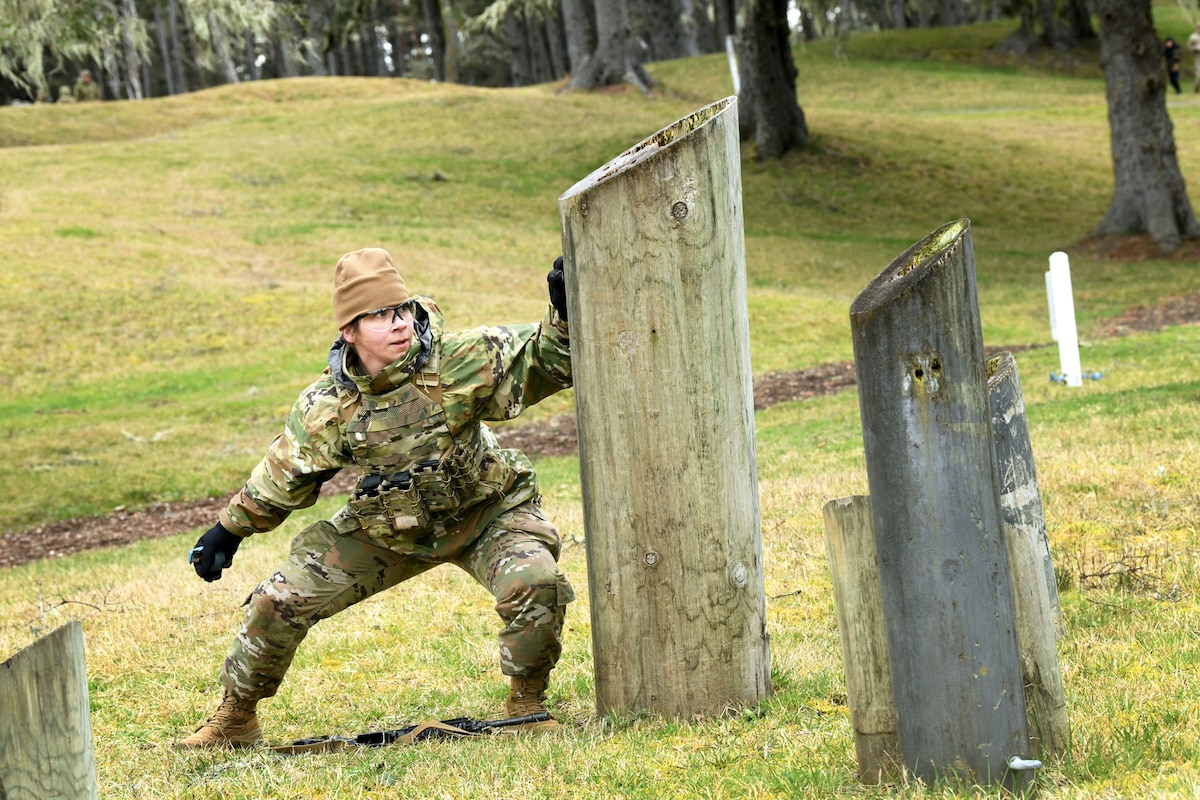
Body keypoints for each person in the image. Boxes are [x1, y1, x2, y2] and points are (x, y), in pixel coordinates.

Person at [180, 247, 574, 748]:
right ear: (349, 331)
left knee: (535, 580)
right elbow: (284, 473)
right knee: (276, 600)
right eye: (380, 316)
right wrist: (229, 530)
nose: (400, 324)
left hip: (485, 512)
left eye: (403, 309)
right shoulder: (330, 404)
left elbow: (545, 361)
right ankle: (234, 719)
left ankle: (527, 703)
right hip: (391, 529)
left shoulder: (460, 358)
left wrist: (563, 317)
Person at [1188, 22, 1200, 93]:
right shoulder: (1193, 37)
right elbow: (1188, 47)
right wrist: (1195, 48)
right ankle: (1196, 89)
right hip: (1198, 58)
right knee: (1199, 75)